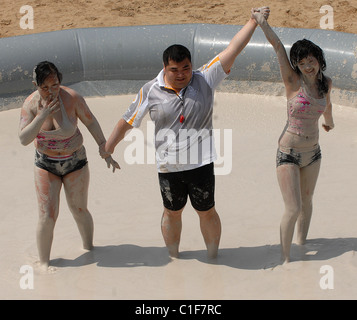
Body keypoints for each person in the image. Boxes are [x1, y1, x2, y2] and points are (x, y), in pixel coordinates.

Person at [103, 8, 270, 259]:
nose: (181, 74)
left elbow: (233, 49)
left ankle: (214, 257)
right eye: (174, 69)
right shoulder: (150, 90)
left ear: (192, 65)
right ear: (164, 68)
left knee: (207, 212)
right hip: (168, 168)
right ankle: (174, 259)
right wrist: (108, 147)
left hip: (201, 164)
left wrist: (252, 21)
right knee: (172, 212)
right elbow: (128, 121)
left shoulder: (205, 78)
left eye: (186, 68)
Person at [19, 61, 119, 271]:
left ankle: (90, 250)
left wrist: (104, 149)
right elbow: (24, 139)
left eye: (54, 85)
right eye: (44, 87)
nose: (50, 91)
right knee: (47, 216)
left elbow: (90, 121)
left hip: (75, 162)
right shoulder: (30, 104)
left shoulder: (72, 98)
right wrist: (43, 115)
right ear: (35, 85)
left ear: (60, 81)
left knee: (79, 209)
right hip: (46, 164)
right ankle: (44, 264)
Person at [252, 9, 335, 263]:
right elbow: (277, 46)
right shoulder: (292, 81)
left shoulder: (326, 83)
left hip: (314, 153)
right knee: (293, 207)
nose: (308, 66)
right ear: (296, 65)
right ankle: (285, 260)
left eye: (311, 60)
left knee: (307, 201)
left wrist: (329, 123)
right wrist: (262, 22)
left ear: (319, 59)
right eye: (302, 63)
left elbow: (327, 105)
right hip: (288, 153)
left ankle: (301, 245)